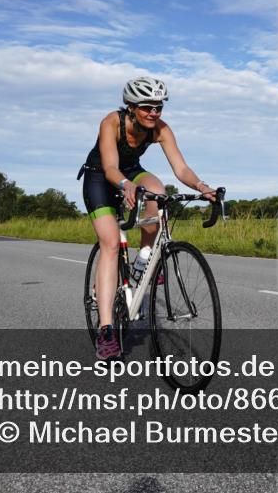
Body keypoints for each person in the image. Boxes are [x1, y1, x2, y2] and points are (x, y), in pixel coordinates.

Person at [80, 76, 216, 360]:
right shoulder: (112, 122)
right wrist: (126, 186)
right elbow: (110, 167)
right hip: (101, 177)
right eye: (147, 107)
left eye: (158, 107)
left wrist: (202, 186)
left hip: (130, 171)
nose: (154, 113)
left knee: (158, 191)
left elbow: (181, 168)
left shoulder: (161, 130)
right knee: (111, 244)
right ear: (131, 107)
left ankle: (144, 257)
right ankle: (106, 331)